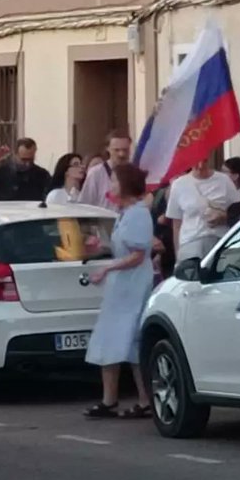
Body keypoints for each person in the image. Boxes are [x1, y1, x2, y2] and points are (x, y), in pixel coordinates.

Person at [83, 163, 154, 419]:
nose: (110, 185)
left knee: (133, 340)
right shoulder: (123, 213)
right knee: (110, 338)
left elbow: (137, 255)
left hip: (133, 285)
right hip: (121, 287)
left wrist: (107, 269)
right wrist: (100, 246)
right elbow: (122, 247)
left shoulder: (139, 214)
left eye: (114, 181)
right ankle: (108, 399)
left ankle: (146, 400)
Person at [166, 159, 240, 263]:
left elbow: (238, 212)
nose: (200, 166)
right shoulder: (179, 185)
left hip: (219, 241)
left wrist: (224, 217)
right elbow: (176, 224)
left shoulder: (224, 180)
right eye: (196, 162)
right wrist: (177, 258)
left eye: (205, 161)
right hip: (190, 243)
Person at [0, 137, 51, 202]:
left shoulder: (42, 175)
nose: (27, 164)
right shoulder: (0, 174)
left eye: (31, 160)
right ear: (15, 155)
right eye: (24, 160)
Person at [79, 130, 133, 211]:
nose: (121, 154)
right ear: (108, 148)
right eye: (116, 150)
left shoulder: (135, 174)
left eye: (125, 150)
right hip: (102, 221)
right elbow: (84, 205)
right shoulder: (95, 173)